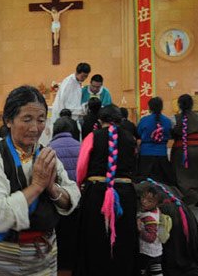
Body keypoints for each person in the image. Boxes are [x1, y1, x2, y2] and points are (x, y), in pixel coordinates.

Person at [0, 86, 79, 275]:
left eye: (41, 120)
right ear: (8, 120)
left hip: (46, 251)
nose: (35, 128)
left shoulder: (47, 155)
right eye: (27, 119)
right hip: (5, 254)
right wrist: (37, 186)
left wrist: (52, 188)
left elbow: (73, 194)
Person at [76, 105, 138, 275]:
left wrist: (79, 185)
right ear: (121, 120)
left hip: (96, 193)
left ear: (99, 120)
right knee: (123, 239)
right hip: (125, 194)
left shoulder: (92, 137)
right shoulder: (130, 138)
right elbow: (134, 166)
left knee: (95, 239)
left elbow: (81, 168)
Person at [49, 117, 81, 274]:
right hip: (76, 201)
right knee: (74, 240)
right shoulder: (80, 146)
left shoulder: (48, 149)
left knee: (59, 239)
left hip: (57, 201)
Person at [170, 95, 198, 207]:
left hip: (182, 151)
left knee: (181, 176)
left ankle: (191, 196)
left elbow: (171, 133)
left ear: (179, 104)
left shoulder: (175, 118)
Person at [48, 62, 91, 142]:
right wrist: (80, 110)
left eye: (86, 76)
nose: (84, 78)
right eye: (83, 76)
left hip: (72, 117)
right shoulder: (68, 83)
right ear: (78, 72)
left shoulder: (77, 83)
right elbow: (63, 103)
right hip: (64, 117)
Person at [137, 97, 175, 185]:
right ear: (161, 107)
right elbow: (170, 135)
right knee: (162, 182)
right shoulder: (167, 121)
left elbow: (138, 133)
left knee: (145, 183)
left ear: (149, 107)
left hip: (146, 154)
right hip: (162, 154)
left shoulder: (144, 120)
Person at [135, 183, 164, 276]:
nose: (144, 201)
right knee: (157, 272)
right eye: (143, 197)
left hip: (147, 253)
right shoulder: (156, 211)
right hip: (157, 251)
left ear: (157, 203)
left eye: (149, 201)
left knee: (141, 271)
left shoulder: (149, 218)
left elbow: (151, 238)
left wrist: (140, 230)